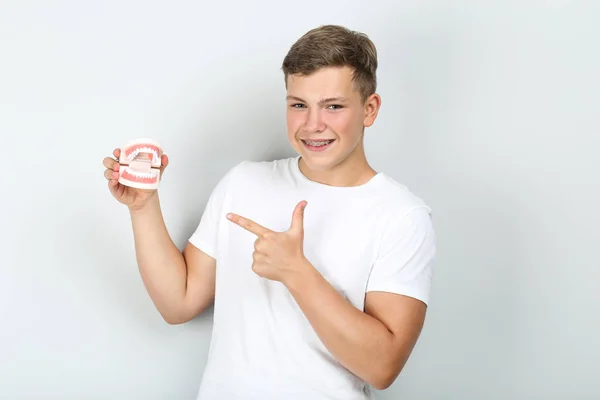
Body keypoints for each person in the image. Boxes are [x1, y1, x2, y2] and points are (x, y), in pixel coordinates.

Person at [102, 24, 436, 400]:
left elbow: (383, 366)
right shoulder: (243, 183)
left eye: (333, 106)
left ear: (369, 109)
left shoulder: (401, 215)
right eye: (299, 105)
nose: (313, 125)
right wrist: (143, 207)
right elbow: (177, 303)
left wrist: (297, 273)